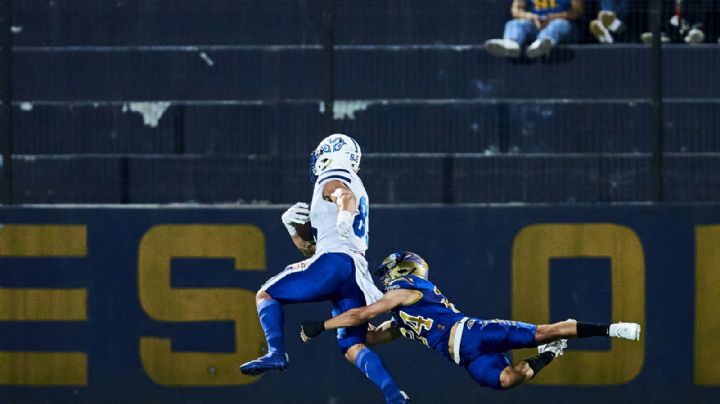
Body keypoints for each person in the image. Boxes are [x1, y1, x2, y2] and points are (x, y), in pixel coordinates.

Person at [301, 251, 641, 390]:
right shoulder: (402, 318)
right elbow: (373, 336)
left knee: (539, 332)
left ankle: (612, 329)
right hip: (465, 357)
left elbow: (363, 315)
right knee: (508, 380)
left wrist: (322, 326)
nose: (386, 278)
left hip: (473, 333)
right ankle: (553, 352)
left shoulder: (408, 289)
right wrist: (341, 318)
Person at [239, 134, 410, 404]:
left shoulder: (332, 176)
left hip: (336, 263)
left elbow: (344, 196)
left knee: (266, 294)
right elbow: (311, 249)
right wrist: (293, 229)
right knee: (353, 344)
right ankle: (394, 394)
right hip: (354, 271)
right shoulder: (356, 180)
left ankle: (276, 352)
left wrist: (344, 213)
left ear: (328, 153)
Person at [485, 0, 584, 59]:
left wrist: (554, 17)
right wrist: (531, 17)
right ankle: (511, 43)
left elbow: (578, 12)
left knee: (559, 24)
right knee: (514, 24)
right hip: (536, 24)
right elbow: (516, 10)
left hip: (563, 27)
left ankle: (543, 43)